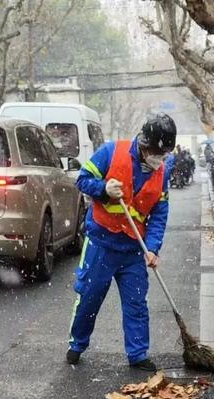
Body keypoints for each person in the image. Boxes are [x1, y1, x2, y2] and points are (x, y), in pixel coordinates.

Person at [67, 113, 176, 371]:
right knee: (89, 297)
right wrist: (103, 188)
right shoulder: (111, 152)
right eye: (156, 153)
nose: (159, 160)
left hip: (132, 250)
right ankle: (77, 344)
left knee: (136, 303)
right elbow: (82, 179)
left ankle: (137, 353)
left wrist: (152, 248)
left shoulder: (161, 173)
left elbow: (159, 213)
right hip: (101, 244)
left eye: (164, 155)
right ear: (144, 144)